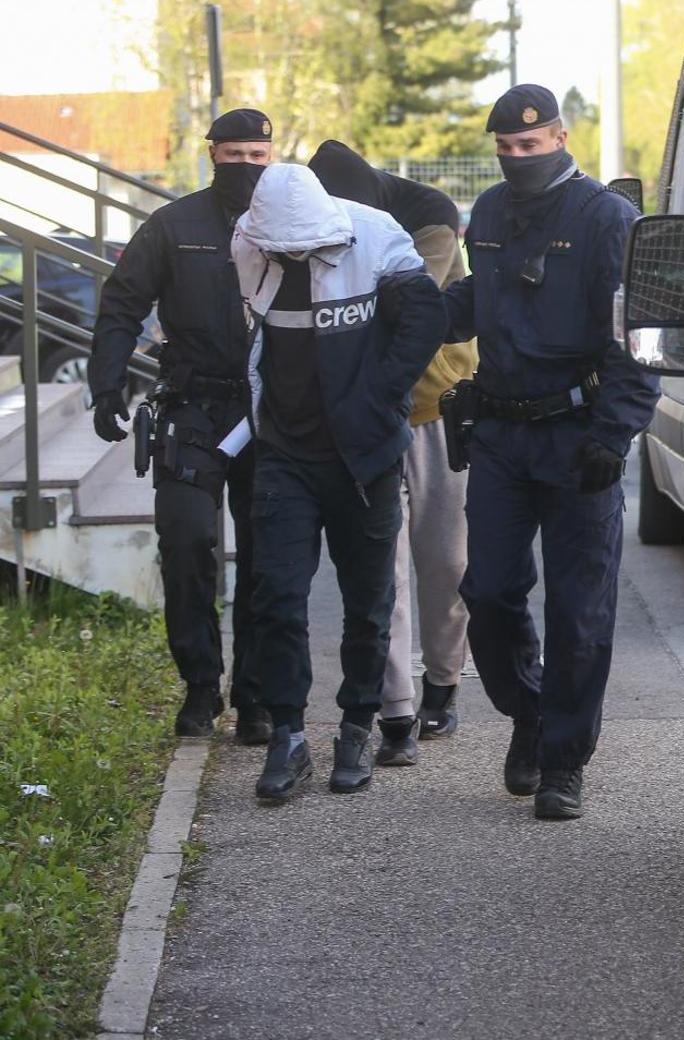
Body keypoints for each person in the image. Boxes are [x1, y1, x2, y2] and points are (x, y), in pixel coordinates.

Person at [442, 84, 658, 821]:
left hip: (577, 435)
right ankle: (530, 712)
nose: (517, 157)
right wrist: (413, 306)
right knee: (489, 594)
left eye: (529, 145)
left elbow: (636, 334)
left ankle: (563, 762)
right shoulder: (490, 213)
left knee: (579, 610)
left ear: (561, 140)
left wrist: (614, 432)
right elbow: (486, 299)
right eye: (506, 147)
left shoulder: (606, 218)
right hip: (501, 433)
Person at [232, 163, 447, 802]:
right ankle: (288, 735)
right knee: (276, 597)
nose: (294, 255)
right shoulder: (249, 241)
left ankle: (357, 727)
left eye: (304, 247)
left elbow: (425, 322)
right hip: (284, 453)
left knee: (368, 602)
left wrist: (379, 398)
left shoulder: (376, 236)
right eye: (283, 249)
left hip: (364, 457)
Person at [89, 108, 274, 742]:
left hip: (269, 412)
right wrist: (106, 383)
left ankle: (255, 695)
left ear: (271, 158)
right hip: (192, 409)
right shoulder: (173, 225)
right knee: (188, 542)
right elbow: (122, 302)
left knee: (267, 555)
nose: (246, 167)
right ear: (212, 153)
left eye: (258, 157)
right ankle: (200, 684)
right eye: (235, 155)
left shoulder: (290, 224)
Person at [309, 140, 476, 767]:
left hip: (435, 411)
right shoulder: (316, 225)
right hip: (367, 420)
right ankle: (397, 709)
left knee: (446, 561)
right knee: (384, 571)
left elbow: (412, 310)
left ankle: (444, 679)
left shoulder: (431, 216)